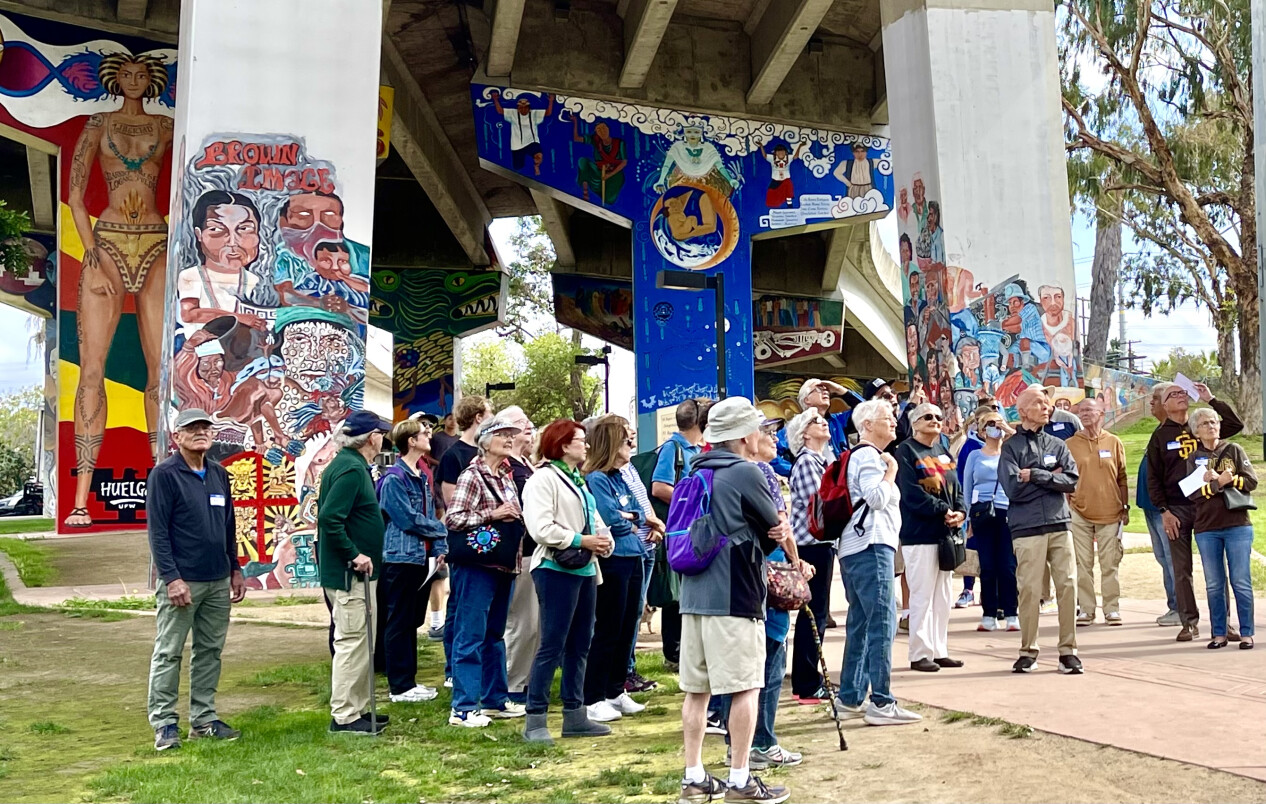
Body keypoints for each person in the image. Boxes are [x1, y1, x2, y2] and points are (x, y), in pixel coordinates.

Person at [65, 54, 174, 528]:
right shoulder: (98, 123)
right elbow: (74, 193)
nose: (134, 79)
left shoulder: (167, 127)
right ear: (115, 79)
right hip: (107, 241)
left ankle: (161, 490)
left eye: (141, 74)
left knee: (160, 367)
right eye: (126, 74)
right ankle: (80, 499)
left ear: (152, 81)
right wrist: (90, 252)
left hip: (155, 241)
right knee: (92, 367)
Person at [677, 397, 793, 804]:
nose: (763, 434)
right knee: (745, 687)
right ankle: (741, 780)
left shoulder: (693, 471)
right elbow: (774, 525)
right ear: (745, 435)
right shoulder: (747, 472)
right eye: (759, 428)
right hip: (735, 594)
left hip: (693, 595)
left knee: (697, 691)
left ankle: (693, 777)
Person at [145, 408, 246, 751]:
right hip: (182, 582)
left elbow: (229, 526)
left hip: (218, 580)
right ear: (177, 437)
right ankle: (164, 723)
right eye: (192, 428)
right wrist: (171, 578)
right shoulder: (164, 475)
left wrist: (235, 568)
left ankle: (203, 720)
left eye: (205, 427)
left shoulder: (219, 474)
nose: (201, 432)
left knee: (210, 651)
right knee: (169, 652)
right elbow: (158, 533)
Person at [711, 416, 808, 769]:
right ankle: (761, 741)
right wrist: (797, 563)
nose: (772, 438)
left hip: (733, 577)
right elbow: (779, 528)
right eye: (766, 432)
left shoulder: (716, 473)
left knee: (737, 666)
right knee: (767, 660)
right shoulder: (759, 473)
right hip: (766, 576)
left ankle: (734, 744)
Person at [521, 420, 615, 743]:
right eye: (580, 440)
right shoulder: (543, 480)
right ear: (562, 446)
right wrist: (583, 541)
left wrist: (605, 541)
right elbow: (540, 529)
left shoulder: (579, 481)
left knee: (580, 643)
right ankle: (535, 719)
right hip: (555, 570)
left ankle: (575, 714)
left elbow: (596, 521)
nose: (586, 446)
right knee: (552, 644)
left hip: (586, 570)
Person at [833, 400, 922, 726]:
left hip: (855, 547)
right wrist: (892, 471)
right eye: (886, 418)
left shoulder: (857, 456)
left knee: (860, 623)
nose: (894, 421)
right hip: (871, 545)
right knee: (883, 621)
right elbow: (876, 497)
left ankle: (851, 697)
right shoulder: (870, 456)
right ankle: (882, 701)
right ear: (867, 425)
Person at [442, 416, 528, 727]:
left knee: (494, 634)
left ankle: (494, 699)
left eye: (512, 435)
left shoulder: (505, 475)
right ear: (485, 440)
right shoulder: (472, 475)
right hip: (477, 566)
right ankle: (463, 707)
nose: (509, 439)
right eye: (503, 434)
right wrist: (493, 514)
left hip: (504, 563)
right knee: (471, 633)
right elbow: (454, 518)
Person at [1146, 380, 1242, 642]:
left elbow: (1234, 425)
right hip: (1177, 509)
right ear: (1164, 405)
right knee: (1181, 568)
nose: (1180, 396)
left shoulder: (1200, 425)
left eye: (1182, 392)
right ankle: (1188, 621)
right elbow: (1153, 479)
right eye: (1172, 394)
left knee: (1216, 569)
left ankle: (1224, 625)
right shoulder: (1159, 436)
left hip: (1208, 507)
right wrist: (1164, 511)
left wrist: (1211, 400)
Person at [318, 410, 393, 734]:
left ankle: (359, 708)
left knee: (363, 641)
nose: (383, 438)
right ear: (370, 437)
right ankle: (345, 716)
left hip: (359, 573)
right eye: (380, 432)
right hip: (351, 574)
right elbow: (330, 519)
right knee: (351, 641)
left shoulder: (353, 465)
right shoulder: (349, 468)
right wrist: (354, 555)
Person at [999, 386, 1082, 674]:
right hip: (1027, 527)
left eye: (1047, 404)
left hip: (1060, 523)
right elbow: (1012, 489)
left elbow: (1071, 481)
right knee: (1030, 590)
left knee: (1068, 585)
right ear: (1022, 411)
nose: (1046, 407)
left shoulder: (1058, 445)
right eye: (1039, 403)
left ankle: (1068, 651)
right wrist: (1051, 480)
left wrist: (1035, 475)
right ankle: (1028, 651)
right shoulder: (1010, 447)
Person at [582, 415, 651, 723]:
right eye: (625, 440)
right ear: (611, 444)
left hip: (633, 554)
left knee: (627, 627)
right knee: (609, 627)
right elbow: (611, 518)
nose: (631, 444)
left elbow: (634, 511)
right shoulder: (596, 478)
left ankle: (615, 689)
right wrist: (631, 518)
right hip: (614, 558)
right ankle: (593, 696)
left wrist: (630, 516)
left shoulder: (620, 476)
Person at [895, 403, 966, 673]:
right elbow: (910, 493)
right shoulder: (906, 450)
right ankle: (919, 652)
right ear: (915, 422)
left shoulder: (942, 450)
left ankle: (939, 649)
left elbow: (956, 485)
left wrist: (960, 511)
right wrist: (942, 510)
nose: (935, 420)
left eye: (938, 417)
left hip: (946, 534)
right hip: (920, 534)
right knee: (922, 596)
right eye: (928, 417)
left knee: (943, 596)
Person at [378, 419, 445, 703]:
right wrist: (441, 530)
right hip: (400, 557)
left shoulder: (420, 475)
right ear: (410, 442)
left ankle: (410, 681)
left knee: (412, 620)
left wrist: (439, 545)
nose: (428, 436)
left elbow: (429, 516)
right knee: (399, 620)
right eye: (423, 433)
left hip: (422, 557)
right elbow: (406, 518)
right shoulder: (394, 478)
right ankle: (400, 686)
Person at [1183, 407, 1256, 650]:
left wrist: (1230, 479)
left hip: (1237, 524)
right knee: (1214, 583)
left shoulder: (1234, 449)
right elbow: (1192, 494)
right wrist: (1216, 484)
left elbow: (1251, 481)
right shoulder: (1193, 458)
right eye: (1205, 423)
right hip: (1207, 528)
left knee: (1241, 581)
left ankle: (1247, 633)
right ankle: (1219, 633)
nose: (1211, 426)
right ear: (1196, 430)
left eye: (1214, 422)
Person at [436, 395, 492, 683]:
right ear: (479, 417)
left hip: (492, 544)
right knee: (458, 605)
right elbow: (450, 501)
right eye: (490, 413)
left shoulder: (487, 454)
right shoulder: (453, 455)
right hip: (465, 540)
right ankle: (452, 670)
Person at [650, 398, 705, 670]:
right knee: (676, 593)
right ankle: (674, 653)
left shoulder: (696, 449)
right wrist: (691, 504)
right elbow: (659, 487)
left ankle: (686, 648)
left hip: (692, 530)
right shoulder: (673, 449)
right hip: (679, 531)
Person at [784, 408, 834, 704]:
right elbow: (821, 501)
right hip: (811, 545)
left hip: (821, 543)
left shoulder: (820, 460)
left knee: (818, 613)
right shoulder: (806, 462)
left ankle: (809, 678)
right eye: (816, 421)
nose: (824, 423)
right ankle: (806, 681)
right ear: (804, 433)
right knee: (813, 615)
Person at [1066, 398, 1129, 626]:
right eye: (1080, 411)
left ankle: (1112, 609)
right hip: (1079, 512)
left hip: (1111, 511)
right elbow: (1065, 478)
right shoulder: (1070, 444)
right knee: (1083, 564)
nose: (1083, 414)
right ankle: (1086, 609)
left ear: (1101, 414)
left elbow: (1121, 477)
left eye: (1089, 410)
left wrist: (1125, 507)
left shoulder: (1113, 442)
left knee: (1110, 563)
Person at [961, 408, 1019, 632]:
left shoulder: (1011, 452)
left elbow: (1024, 445)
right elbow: (967, 487)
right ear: (982, 431)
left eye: (998, 424)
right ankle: (989, 613)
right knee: (987, 564)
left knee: (1007, 564)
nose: (995, 428)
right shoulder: (975, 455)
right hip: (981, 512)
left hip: (1006, 511)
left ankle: (1011, 612)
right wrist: (968, 520)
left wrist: (1008, 430)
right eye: (991, 425)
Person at [619, 420, 665, 694]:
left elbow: (642, 502)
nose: (632, 442)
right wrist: (650, 522)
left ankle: (629, 669)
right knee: (627, 613)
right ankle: (622, 673)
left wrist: (656, 524)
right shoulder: (606, 474)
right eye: (627, 437)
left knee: (636, 610)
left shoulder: (630, 467)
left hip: (647, 545)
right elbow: (624, 512)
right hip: (631, 546)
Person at [499, 406, 540, 706]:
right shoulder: (506, 468)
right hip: (520, 552)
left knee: (534, 623)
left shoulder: (527, 463)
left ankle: (523, 680)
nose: (528, 427)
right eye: (520, 424)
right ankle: (513, 683)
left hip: (536, 551)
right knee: (521, 622)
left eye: (528, 423)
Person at [1138, 386, 1180, 626]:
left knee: (1173, 559)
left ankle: (1179, 608)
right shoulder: (1159, 431)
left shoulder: (1176, 432)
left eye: (1155, 399)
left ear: (1166, 403)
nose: (1151, 403)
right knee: (1163, 558)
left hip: (1165, 509)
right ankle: (1173, 605)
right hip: (1150, 507)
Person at [772, 379, 858, 475]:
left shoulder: (838, 421)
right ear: (807, 400)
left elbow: (866, 411)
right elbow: (772, 453)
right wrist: (795, 470)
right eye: (818, 389)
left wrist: (841, 390)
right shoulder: (795, 427)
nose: (825, 391)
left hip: (841, 483)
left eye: (827, 390)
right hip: (815, 482)